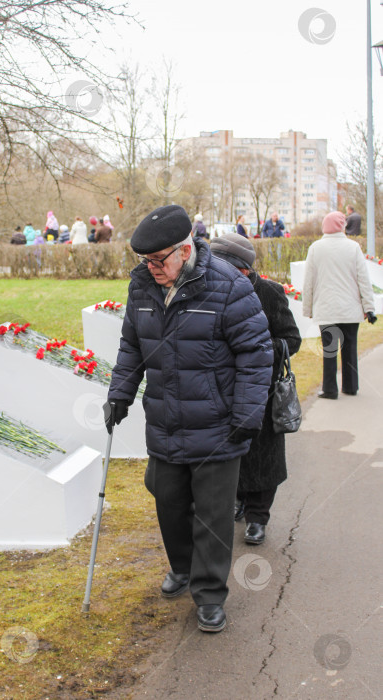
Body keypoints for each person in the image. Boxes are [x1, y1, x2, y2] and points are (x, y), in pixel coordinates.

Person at [104, 205, 273, 633]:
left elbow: (257, 356)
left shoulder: (229, 288)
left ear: (184, 250)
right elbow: (131, 346)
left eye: (159, 260)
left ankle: (210, 594)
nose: (152, 268)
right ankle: (183, 566)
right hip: (165, 419)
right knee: (168, 501)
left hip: (219, 425)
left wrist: (247, 414)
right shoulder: (143, 287)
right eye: (146, 260)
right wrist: (120, 394)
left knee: (213, 517)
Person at [211, 233, 301, 544]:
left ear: (245, 271)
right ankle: (238, 499)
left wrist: (260, 348)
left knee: (263, 457)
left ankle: (258, 517)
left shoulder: (270, 294)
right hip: (224, 389)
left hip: (263, 390)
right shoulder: (211, 293)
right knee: (232, 450)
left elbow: (292, 339)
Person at [302, 211, 376, 399]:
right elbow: (363, 280)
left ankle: (330, 389)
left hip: (326, 309)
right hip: (349, 310)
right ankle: (350, 387)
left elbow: (309, 281)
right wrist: (369, 308)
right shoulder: (353, 248)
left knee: (329, 351)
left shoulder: (315, 248)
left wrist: (308, 309)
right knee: (350, 347)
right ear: (342, 226)